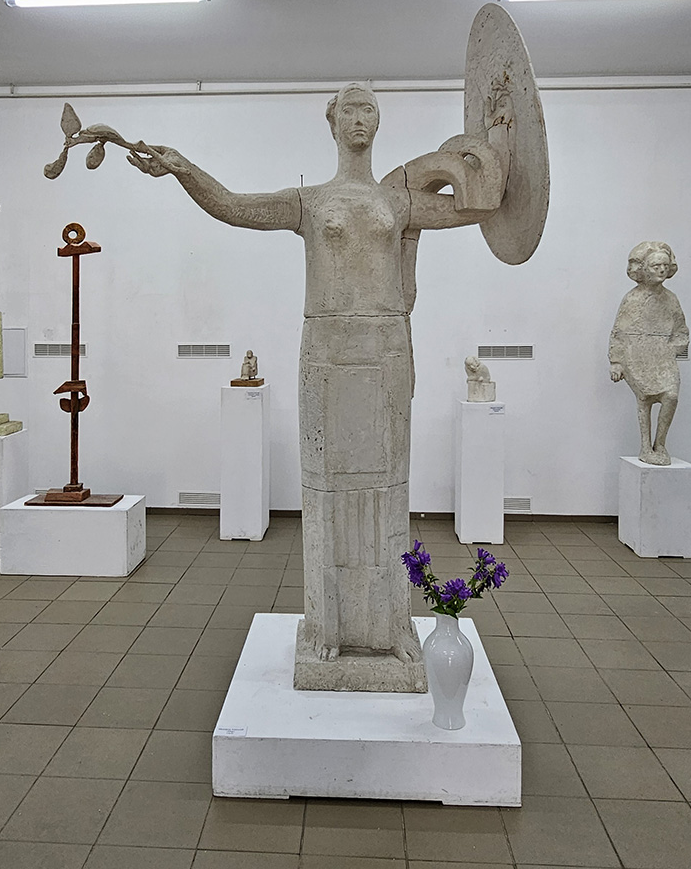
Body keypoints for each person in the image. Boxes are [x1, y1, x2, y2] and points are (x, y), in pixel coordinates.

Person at [113, 83, 508, 688]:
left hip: (385, 350)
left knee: (387, 486)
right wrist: (184, 169)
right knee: (325, 489)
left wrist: (494, 144)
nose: (360, 118)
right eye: (350, 108)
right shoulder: (311, 201)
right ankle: (327, 628)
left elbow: (480, 206)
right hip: (326, 351)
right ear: (332, 122)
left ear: (379, 122)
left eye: (369, 108)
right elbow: (234, 206)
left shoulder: (399, 201)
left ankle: (391, 627)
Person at [609, 242, 689, 466]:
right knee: (644, 399)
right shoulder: (632, 299)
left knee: (671, 396)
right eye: (656, 266)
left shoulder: (671, 299)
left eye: (665, 265)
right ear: (643, 269)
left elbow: (681, 331)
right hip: (636, 355)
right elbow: (618, 332)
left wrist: (671, 349)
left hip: (662, 357)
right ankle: (645, 446)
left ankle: (660, 443)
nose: (661, 270)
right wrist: (616, 362)